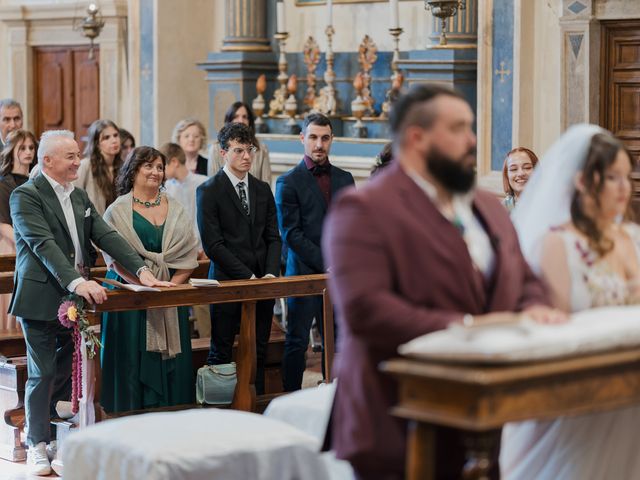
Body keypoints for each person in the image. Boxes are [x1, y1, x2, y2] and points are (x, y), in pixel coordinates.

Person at [321, 84, 564, 480]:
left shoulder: (486, 205)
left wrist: (535, 305)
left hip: (484, 411)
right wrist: (465, 329)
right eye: (459, 128)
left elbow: (523, 274)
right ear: (418, 138)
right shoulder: (364, 209)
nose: (472, 140)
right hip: (399, 414)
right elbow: (367, 308)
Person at [9, 130, 170, 475]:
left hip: (73, 299)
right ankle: (36, 442)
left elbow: (107, 235)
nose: (77, 161)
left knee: (68, 372)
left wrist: (141, 270)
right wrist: (80, 281)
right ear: (47, 160)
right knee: (43, 372)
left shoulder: (79, 196)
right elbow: (43, 245)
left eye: (77, 155)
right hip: (40, 297)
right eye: (70, 156)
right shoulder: (25, 196)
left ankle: (59, 437)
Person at [501, 125, 640, 479]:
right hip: (583, 394)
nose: (625, 187)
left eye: (627, 176)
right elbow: (557, 328)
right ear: (582, 181)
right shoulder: (557, 244)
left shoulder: (633, 237)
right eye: (612, 177)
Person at [101, 146, 200, 413]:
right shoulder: (117, 210)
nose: (156, 172)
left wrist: (171, 289)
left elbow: (189, 253)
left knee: (172, 363)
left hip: (169, 294)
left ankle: (171, 415)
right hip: (129, 297)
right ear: (133, 170)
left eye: (159, 167)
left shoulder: (176, 208)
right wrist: (145, 286)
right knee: (131, 362)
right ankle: (127, 415)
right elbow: (114, 257)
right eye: (149, 166)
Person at [196, 123, 281, 394]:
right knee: (221, 349)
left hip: (262, 282)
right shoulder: (209, 190)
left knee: (258, 347)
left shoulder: (262, 189)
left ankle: (254, 405)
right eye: (238, 150)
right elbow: (213, 245)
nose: (246, 156)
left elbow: (273, 238)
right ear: (223, 153)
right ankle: (218, 412)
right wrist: (248, 276)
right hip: (227, 281)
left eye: (249, 150)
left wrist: (268, 275)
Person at [275, 113, 355, 392]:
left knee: (339, 340)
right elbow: (291, 234)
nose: (319, 144)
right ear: (302, 139)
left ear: (332, 140)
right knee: (297, 341)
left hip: (338, 275)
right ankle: (289, 399)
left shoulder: (346, 179)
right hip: (304, 273)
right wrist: (327, 262)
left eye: (324, 138)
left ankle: (337, 395)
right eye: (313, 137)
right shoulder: (288, 182)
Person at [161, 141, 211, 339]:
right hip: (176, 253)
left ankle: (207, 340)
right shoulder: (167, 189)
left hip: (201, 251)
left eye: (162, 166)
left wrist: (204, 247)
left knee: (202, 301)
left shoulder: (202, 182)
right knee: (177, 298)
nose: (161, 172)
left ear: (173, 162)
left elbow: (205, 220)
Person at [0, 129, 37, 331]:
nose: (28, 152)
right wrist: (27, 240)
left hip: (34, 246)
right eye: (22, 147)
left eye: (31, 147)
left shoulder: (36, 181)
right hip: (12, 245)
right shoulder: (4, 183)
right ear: (11, 150)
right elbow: (2, 224)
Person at [207, 102, 272, 184]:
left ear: (250, 122)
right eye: (236, 116)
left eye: (245, 117)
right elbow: (213, 183)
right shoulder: (216, 148)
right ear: (229, 120)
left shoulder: (261, 148)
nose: (241, 120)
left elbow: (266, 182)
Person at [75, 119, 123, 215]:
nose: (114, 140)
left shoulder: (123, 166)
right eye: (106, 137)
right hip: (94, 224)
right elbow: (74, 197)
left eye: (116, 135)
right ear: (97, 143)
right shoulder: (86, 165)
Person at [501, 147, 538, 212]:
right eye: (513, 169)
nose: (520, 174)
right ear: (507, 176)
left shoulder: (549, 204)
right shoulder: (501, 208)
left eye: (527, 168)